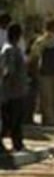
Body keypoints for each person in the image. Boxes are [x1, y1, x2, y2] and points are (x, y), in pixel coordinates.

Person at [31, 19, 54, 127]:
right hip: (45, 72)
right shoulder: (41, 41)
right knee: (46, 97)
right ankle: (49, 120)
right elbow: (35, 56)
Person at [1, 23, 28, 152]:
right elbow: (8, 71)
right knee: (12, 120)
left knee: (14, 120)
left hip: (16, 90)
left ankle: (18, 143)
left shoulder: (13, 48)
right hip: (13, 92)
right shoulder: (10, 49)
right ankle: (17, 144)